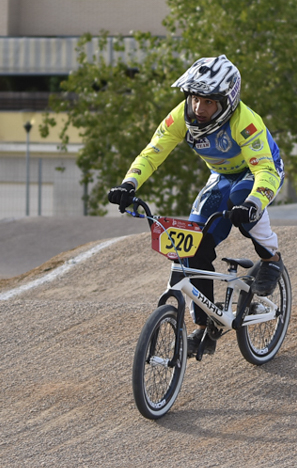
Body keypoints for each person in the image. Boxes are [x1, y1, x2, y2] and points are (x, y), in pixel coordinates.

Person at [107, 55, 285, 358]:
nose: (199, 109)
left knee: (240, 202)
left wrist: (255, 203)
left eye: (209, 103)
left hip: (256, 174)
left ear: (227, 101)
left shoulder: (246, 123)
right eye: (195, 99)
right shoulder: (181, 116)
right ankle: (206, 324)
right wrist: (129, 184)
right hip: (220, 176)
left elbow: (265, 172)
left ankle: (271, 258)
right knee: (193, 245)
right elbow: (153, 152)